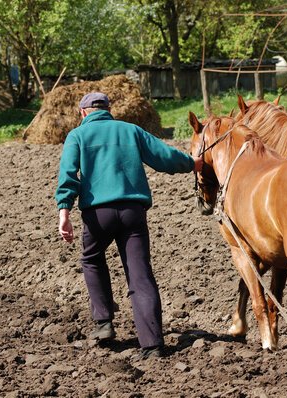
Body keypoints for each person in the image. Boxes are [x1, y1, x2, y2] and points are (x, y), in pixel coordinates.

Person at [55, 92, 202, 359]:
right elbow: (164, 156)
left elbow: (68, 176)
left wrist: (63, 212)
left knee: (92, 259)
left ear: (83, 113)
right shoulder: (130, 130)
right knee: (140, 274)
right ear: (109, 109)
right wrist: (193, 164)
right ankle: (153, 345)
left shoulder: (77, 136)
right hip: (133, 212)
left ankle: (103, 323)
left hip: (98, 214)